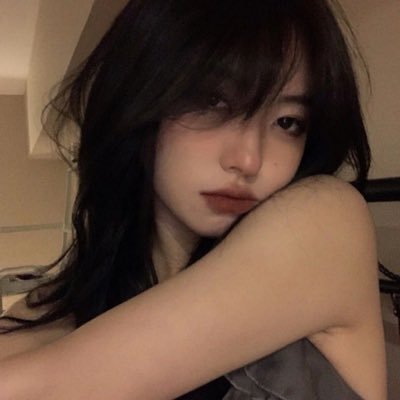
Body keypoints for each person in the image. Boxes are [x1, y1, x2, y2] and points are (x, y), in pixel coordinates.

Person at [0, 0, 386, 399]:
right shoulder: (51, 307)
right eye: (214, 102)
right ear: (140, 93)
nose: (249, 160)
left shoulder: (325, 224)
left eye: (287, 122)